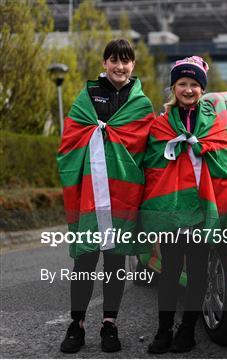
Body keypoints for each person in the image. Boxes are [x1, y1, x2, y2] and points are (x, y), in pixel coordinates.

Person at [56, 39, 155, 353]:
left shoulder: (141, 105)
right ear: (104, 62)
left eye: (125, 61)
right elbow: (69, 141)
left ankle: (109, 324)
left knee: (115, 260)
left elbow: (147, 151)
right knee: (85, 258)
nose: (119, 66)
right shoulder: (86, 96)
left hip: (122, 194)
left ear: (133, 65)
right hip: (90, 192)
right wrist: (96, 133)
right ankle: (77, 324)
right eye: (114, 60)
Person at [141, 56, 227, 353]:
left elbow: (226, 159)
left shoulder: (214, 124)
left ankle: (187, 331)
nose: (188, 89)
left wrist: (201, 146)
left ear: (202, 88)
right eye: (182, 83)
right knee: (168, 273)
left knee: (197, 274)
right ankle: (163, 330)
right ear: (174, 87)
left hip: (200, 210)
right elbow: (151, 164)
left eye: (194, 84)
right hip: (172, 210)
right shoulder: (161, 125)